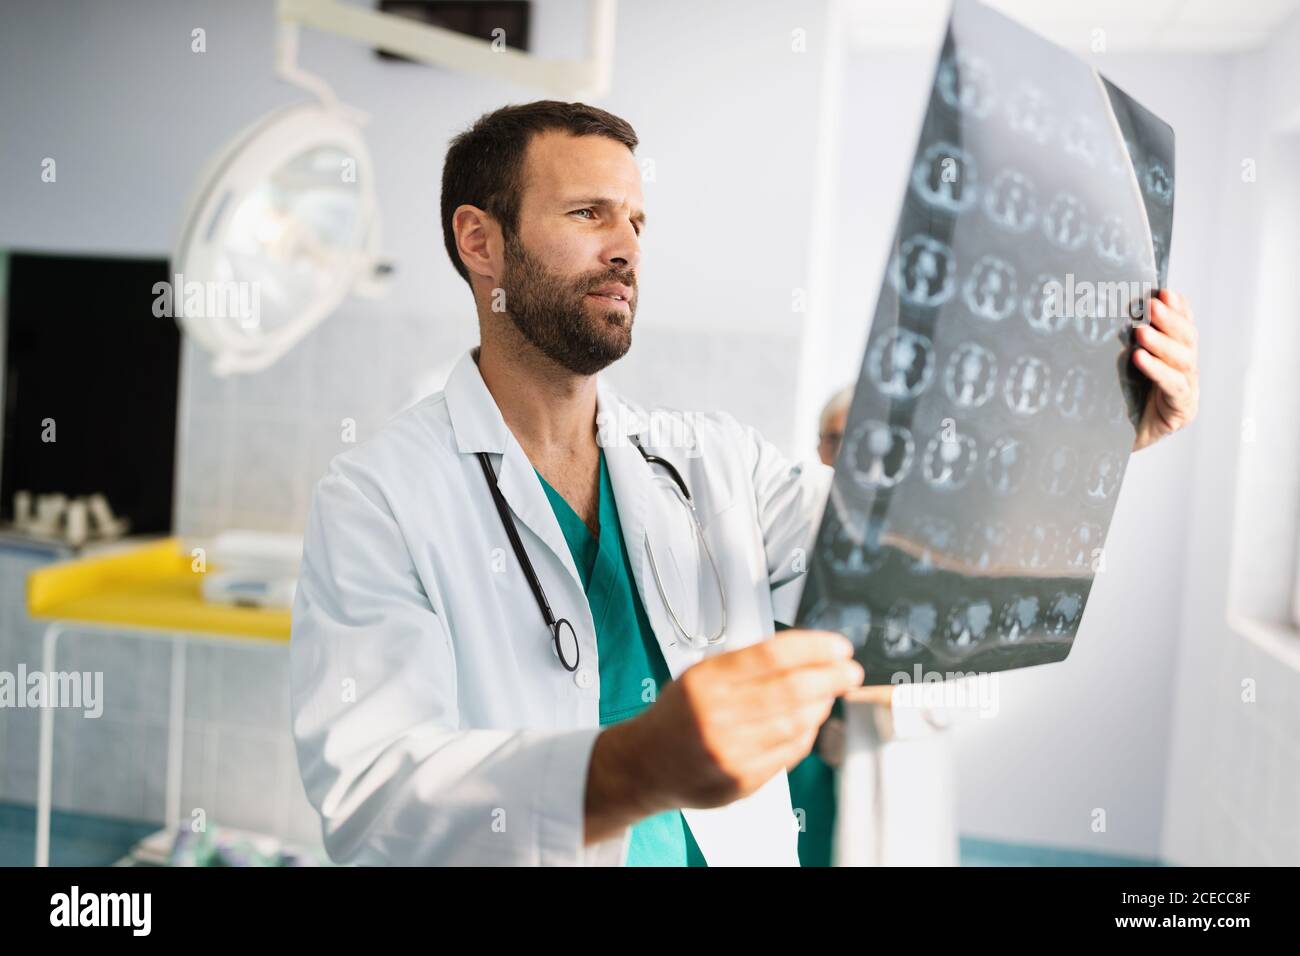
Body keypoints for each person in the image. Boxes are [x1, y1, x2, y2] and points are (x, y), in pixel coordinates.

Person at [289, 101, 1200, 866]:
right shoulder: (378, 498)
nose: (626, 249)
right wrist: (634, 768)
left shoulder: (716, 463)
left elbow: (907, 574)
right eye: (587, 215)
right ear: (479, 242)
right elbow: (375, 803)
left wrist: (1100, 436)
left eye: (637, 222)